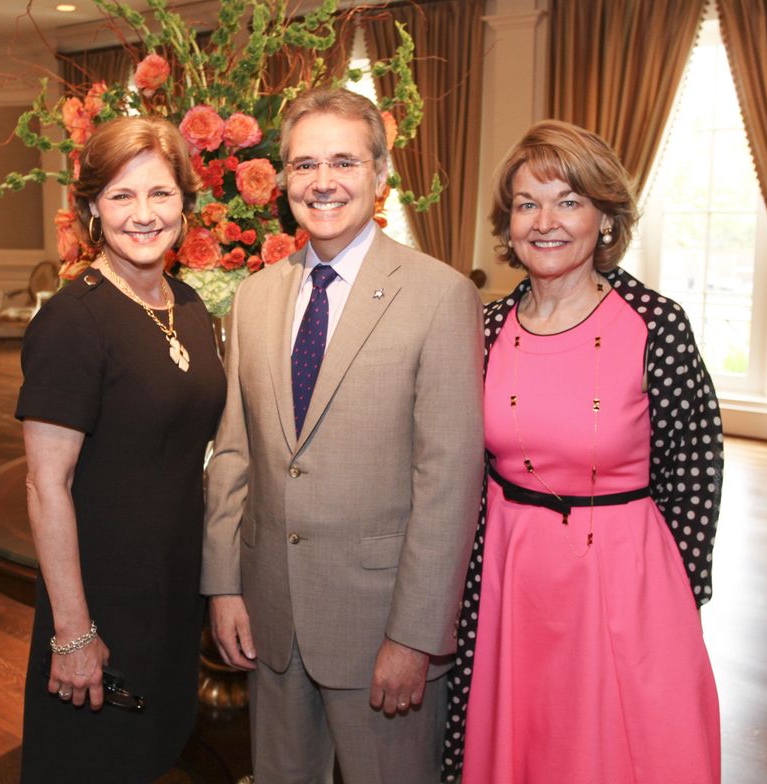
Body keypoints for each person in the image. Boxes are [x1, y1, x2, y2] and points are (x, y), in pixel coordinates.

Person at [201, 87, 484, 784]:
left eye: (344, 162)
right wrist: (224, 587)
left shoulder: (440, 296)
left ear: (381, 174)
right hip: (271, 616)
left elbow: (447, 484)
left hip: (381, 627)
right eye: (303, 165)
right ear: (282, 182)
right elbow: (234, 453)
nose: (322, 182)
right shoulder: (255, 297)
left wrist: (414, 637)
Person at [443, 120, 723, 784]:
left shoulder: (656, 324)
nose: (546, 220)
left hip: (626, 582)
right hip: (512, 578)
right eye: (526, 203)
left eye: (568, 200)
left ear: (604, 217)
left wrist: (674, 598)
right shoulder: (484, 329)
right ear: (508, 222)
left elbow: (695, 470)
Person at [16, 116, 226, 783]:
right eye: (122, 196)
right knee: (93, 763)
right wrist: (74, 634)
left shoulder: (189, 305)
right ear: (91, 210)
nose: (144, 214)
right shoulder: (73, 320)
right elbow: (46, 484)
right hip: (100, 600)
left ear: (185, 206)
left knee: (154, 753)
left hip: (171, 594)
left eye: (161, 195)